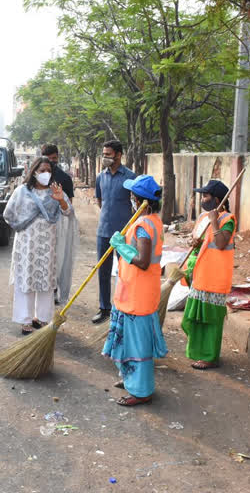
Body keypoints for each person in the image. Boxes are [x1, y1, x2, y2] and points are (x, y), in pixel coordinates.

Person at [102, 175, 168, 406]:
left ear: (140, 200)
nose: (130, 198)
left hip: (138, 295)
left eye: (132, 195)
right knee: (127, 340)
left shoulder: (143, 226)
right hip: (132, 290)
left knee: (137, 344)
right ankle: (130, 378)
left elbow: (142, 260)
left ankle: (141, 391)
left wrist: (120, 246)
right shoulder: (150, 220)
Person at [3, 156, 71, 334]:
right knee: (25, 280)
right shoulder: (21, 191)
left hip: (47, 245)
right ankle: (25, 321)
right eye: (42, 171)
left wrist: (60, 200)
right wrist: (22, 227)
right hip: (26, 245)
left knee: (45, 281)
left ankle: (42, 319)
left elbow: (68, 212)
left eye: (49, 171)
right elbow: (8, 214)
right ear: (33, 172)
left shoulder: (55, 192)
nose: (46, 174)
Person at [180, 180, 235, 370]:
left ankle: (209, 356)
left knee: (210, 320)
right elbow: (199, 241)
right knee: (191, 318)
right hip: (198, 275)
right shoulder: (203, 217)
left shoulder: (228, 220)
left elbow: (220, 243)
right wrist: (193, 242)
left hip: (214, 278)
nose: (203, 199)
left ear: (217, 199)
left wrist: (214, 222)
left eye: (206, 196)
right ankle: (197, 351)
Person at [93, 140, 136, 324]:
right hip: (103, 232)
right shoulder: (100, 176)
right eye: (103, 154)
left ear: (118, 155)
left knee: (125, 271)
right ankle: (104, 308)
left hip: (123, 234)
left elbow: (135, 204)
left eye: (108, 154)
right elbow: (100, 201)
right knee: (103, 271)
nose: (105, 158)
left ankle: (125, 307)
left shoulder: (130, 177)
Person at [41, 144, 78, 305]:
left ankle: (54, 290)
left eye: (54, 159)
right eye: (48, 159)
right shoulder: (37, 176)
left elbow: (69, 205)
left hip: (59, 224)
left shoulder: (64, 178)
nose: (52, 162)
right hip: (41, 225)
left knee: (58, 258)